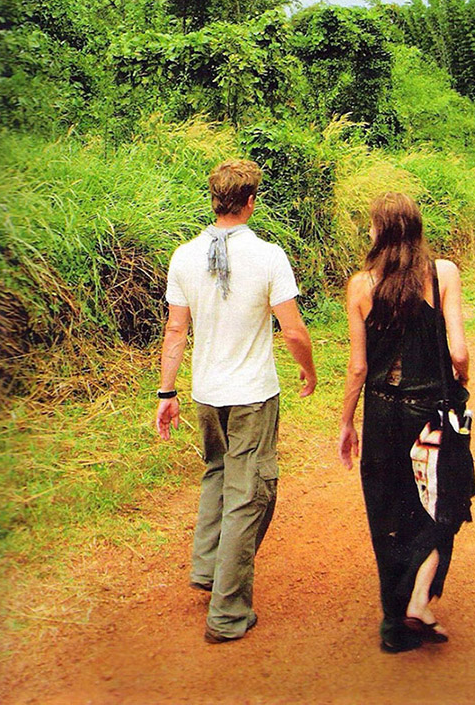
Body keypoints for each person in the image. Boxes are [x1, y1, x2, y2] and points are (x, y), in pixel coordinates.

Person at [155, 158, 317, 644]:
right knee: (251, 495)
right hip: (252, 394)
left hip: (207, 393)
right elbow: (292, 329)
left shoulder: (184, 256)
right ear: (250, 202)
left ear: (214, 199)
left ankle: (207, 568)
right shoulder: (269, 255)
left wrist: (167, 392)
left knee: (218, 475)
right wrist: (308, 369)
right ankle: (227, 613)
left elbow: (175, 330)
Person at [338, 192, 474, 653]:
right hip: (430, 414)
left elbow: (358, 368)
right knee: (443, 504)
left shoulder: (360, 286)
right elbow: (458, 352)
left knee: (387, 513)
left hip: (379, 412)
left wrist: (346, 422)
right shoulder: (443, 274)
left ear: (382, 232)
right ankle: (419, 598)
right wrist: (462, 379)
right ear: (414, 230)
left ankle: (394, 627)